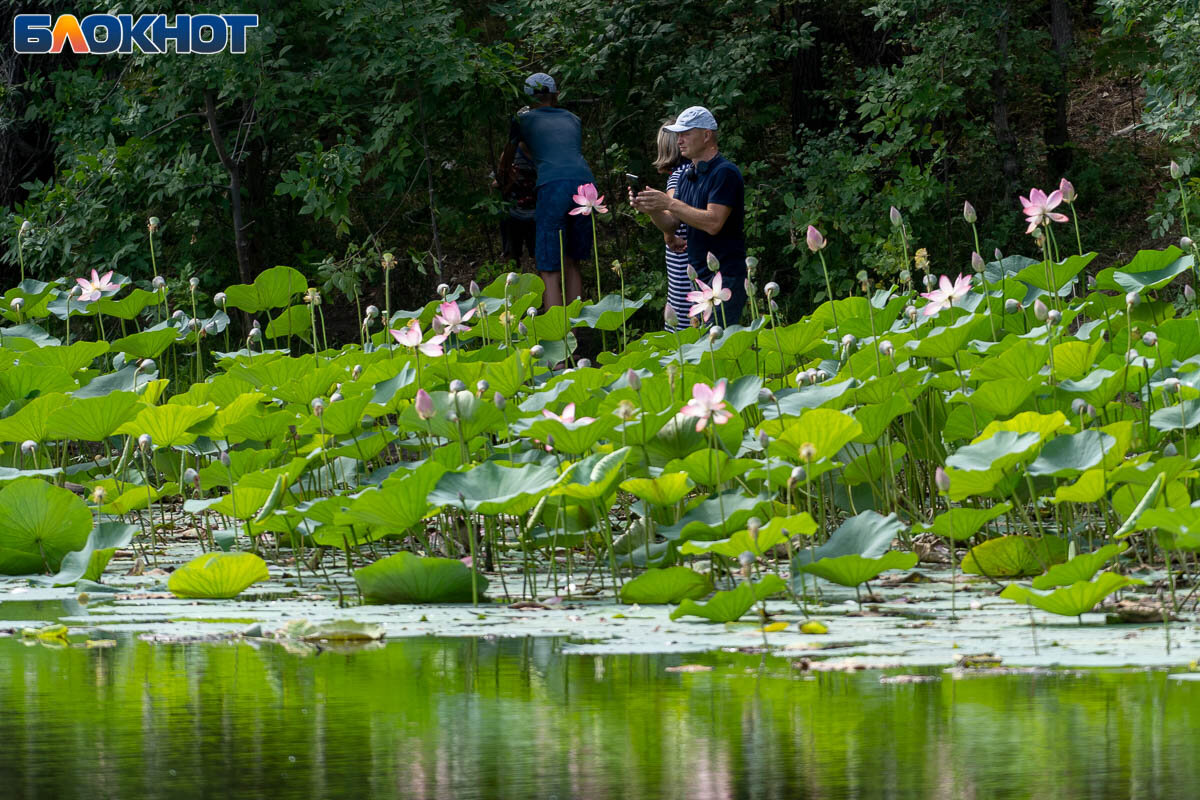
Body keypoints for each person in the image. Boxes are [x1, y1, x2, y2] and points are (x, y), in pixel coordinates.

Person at [633, 106, 747, 327]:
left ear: (706, 135)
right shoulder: (687, 175)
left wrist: (668, 203)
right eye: (678, 134)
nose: (679, 140)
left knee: (719, 348)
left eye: (686, 133)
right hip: (700, 279)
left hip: (725, 278)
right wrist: (652, 209)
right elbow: (672, 225)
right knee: (704, 350)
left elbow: (713, 222)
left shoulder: (725, 173)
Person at [499, 72, 595, 309]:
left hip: (554, 187)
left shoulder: (522, 120)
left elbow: (507, 159)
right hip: (586, 183)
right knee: (572, 261)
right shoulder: (573, 119)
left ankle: (558, 336)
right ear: (556, 95)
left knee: (549, 268)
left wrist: (503, 179)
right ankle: (574, 328)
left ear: (528, 97)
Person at [654, 119, 692, 330]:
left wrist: (667, 235)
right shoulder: (692, 171)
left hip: (682, 253)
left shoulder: (676, 177)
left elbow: (671, 220)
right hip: (695, 249)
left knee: (681, 309)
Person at [494, 139, 537, 269]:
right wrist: (509, 179)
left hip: (537, 215)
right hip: (512, 214)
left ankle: (544, 287)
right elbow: (496, 184)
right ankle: (513, 285)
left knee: (540, 256)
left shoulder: (541, 153)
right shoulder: (510, 154)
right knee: (511, 256)